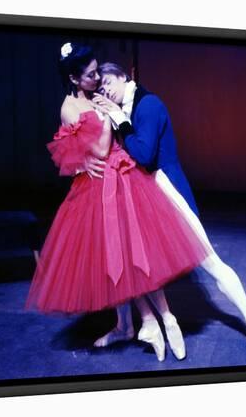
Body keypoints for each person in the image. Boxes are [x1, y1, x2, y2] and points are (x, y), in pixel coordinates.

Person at [24, 43, 213, 361]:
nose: (97, 78)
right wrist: (105, 117)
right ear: (73, 78)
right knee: (118, 257)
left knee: (140, 252)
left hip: (124, 176)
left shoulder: (98, 94)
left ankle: (162, 319)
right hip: (97, 186)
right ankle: (142, 323)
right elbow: (94, 151)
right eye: (90, 74)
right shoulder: (70, 107)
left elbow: (121, 131)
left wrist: (111, 113)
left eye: (98, 71)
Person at [88, 62, 246, 358]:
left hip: (170, 192)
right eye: (100, 88)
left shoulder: (148, 104)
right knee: (127, 259)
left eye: (108, 83)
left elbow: (143, 154)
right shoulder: (122, 108)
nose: (106, 91)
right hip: (147, 197)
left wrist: (118, 119)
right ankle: (128, 324)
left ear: (125, 76)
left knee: (210, 261)